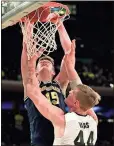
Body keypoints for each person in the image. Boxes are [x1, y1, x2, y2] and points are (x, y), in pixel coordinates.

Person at [26, 40, 101, 145]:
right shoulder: (92, 119)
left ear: (76, 103)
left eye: (72, 93)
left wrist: (31, 61)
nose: (70, 91)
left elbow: (33, 92)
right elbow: (77, 84)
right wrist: (69, 62)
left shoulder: (63, 120)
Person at [21, 18, 73, 146]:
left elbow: (70, 54)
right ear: (36, 71)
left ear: (54, 72)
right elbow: (27, 53)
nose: (45, 61)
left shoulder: (60, 84)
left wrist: (60, 25)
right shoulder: (31, 85)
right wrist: (29, 26)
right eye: (40, 62)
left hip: (61, 138)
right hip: (40, 141)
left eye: (49, 62)